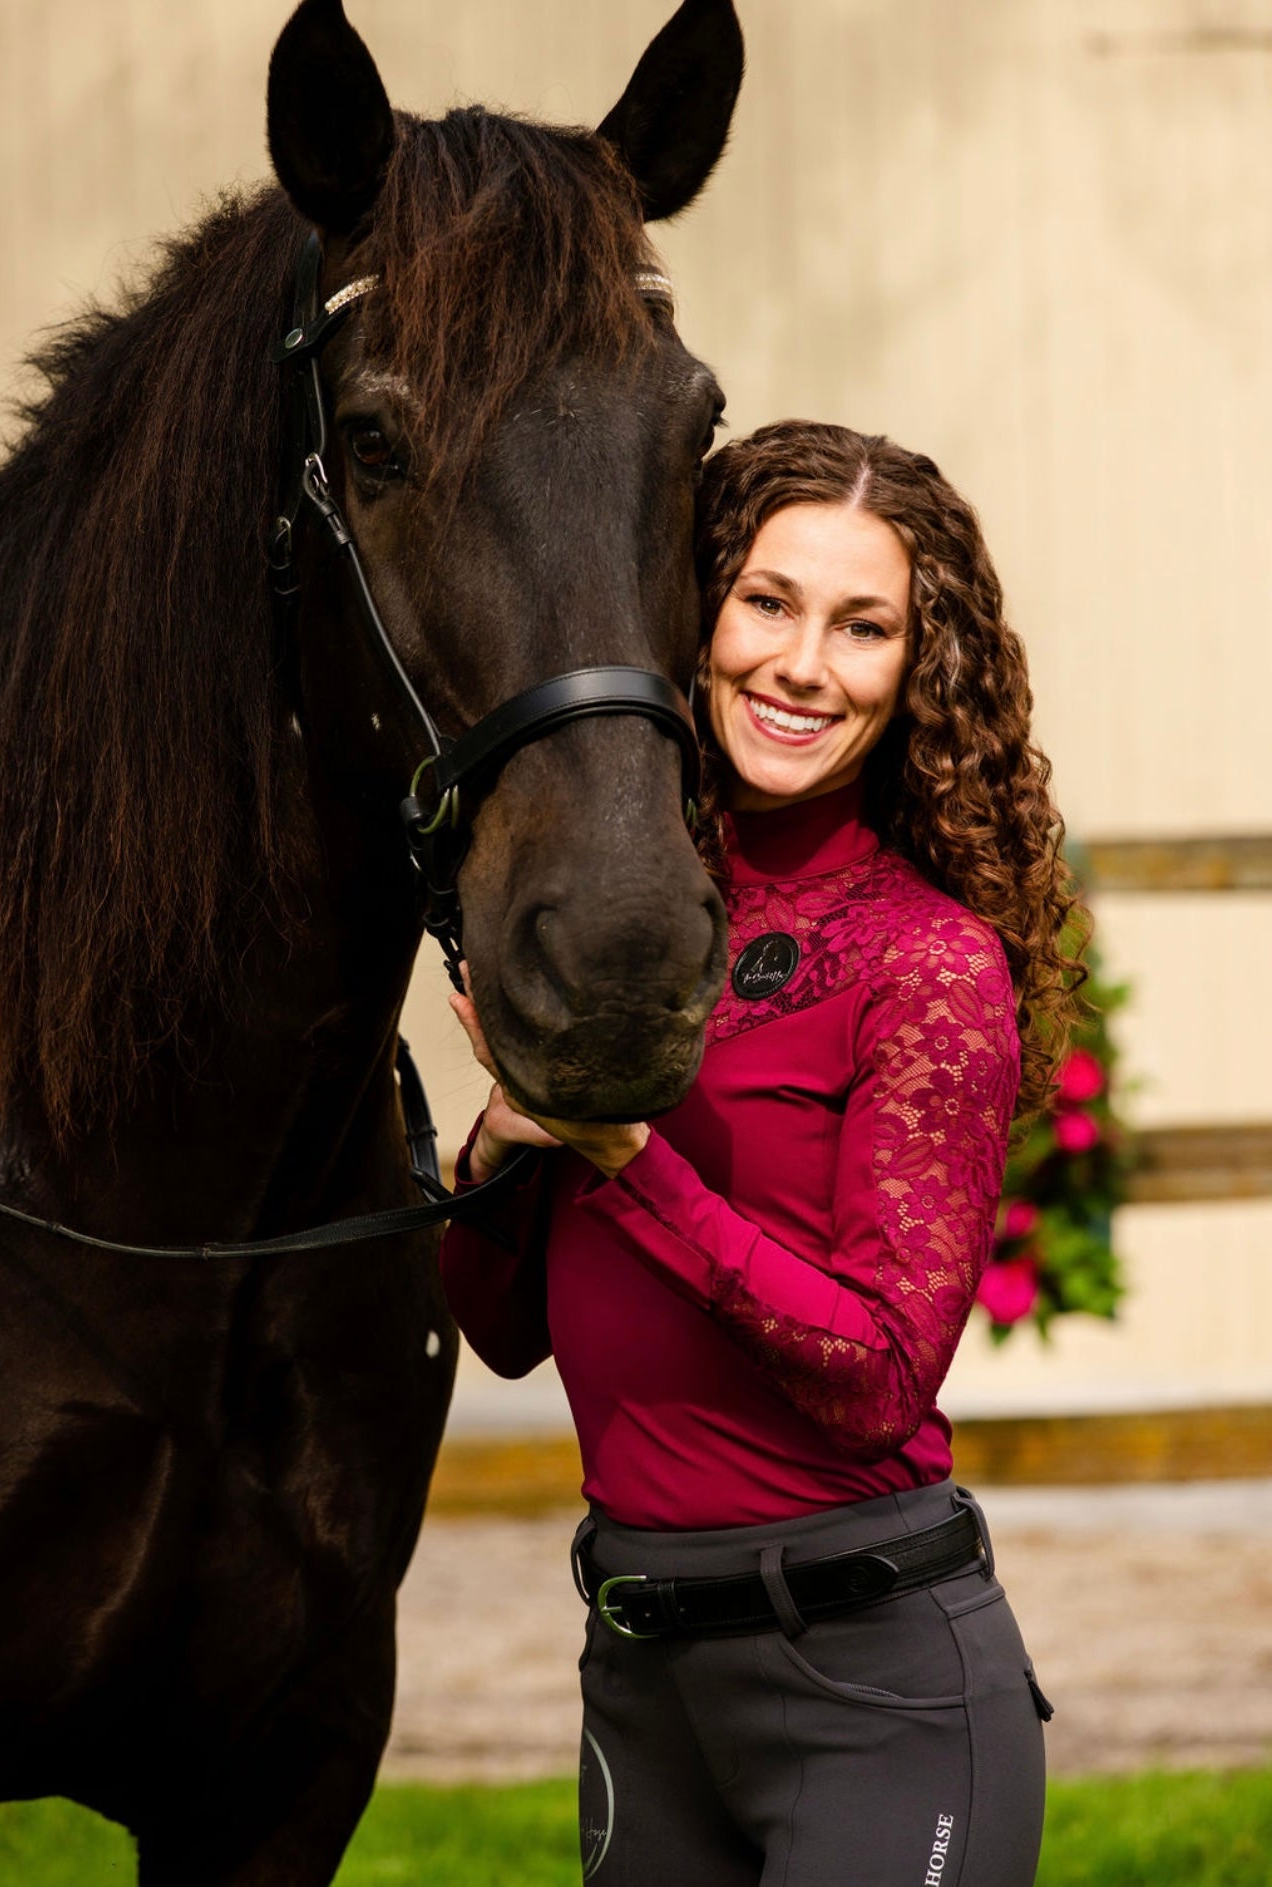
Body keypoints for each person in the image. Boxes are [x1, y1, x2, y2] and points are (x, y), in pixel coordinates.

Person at [439, 419, 1083, 1887]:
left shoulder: (928, 963)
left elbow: (876, 1375)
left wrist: (623, 1153)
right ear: (699, 609)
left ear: (921, 673)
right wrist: (504, 1137)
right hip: (642, 1681)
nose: (801, 664)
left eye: (864, 627)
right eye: (769, 602)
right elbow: (503, 1333)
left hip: (872, 1689)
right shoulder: (628, 929)